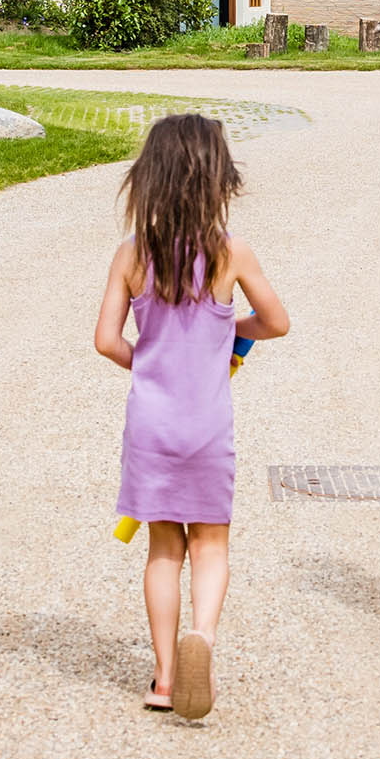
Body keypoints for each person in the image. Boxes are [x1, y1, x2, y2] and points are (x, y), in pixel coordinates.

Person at [92, 114, 289, 721]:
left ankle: (163, 676)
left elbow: (105, 340)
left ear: (147, 179)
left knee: (162, 551)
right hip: (207, 428)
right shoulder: (232, 253)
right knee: (210, 546)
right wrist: (228, 331)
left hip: (151, 426)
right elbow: (277, 322)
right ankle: (201, 635)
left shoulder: (131, 254)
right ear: (218, 182)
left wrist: (150, 362)